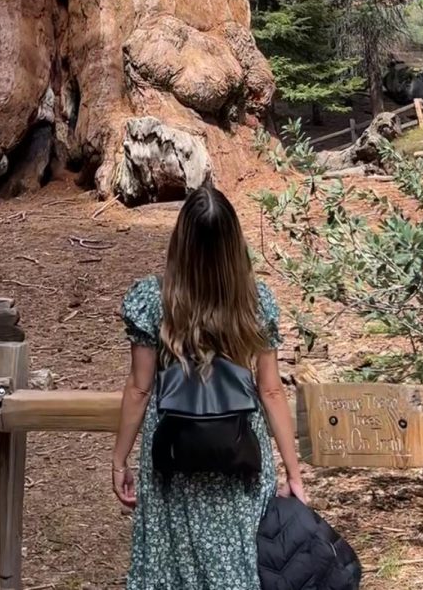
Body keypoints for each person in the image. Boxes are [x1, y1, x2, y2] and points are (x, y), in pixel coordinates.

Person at [112, 184, 306, 590]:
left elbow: (139, 388)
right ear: (235, 246)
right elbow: (270, 391)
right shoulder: (255, 302)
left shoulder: (152, 299)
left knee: (169, 563)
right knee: (240, 561)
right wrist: (294, 473)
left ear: (180, 243)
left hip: (172, 450)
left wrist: (120, 460)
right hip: (240, 451)